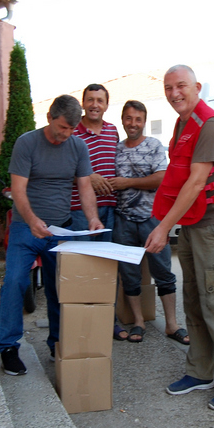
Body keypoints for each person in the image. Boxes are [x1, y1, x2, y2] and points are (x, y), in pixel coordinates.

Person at [145, 65, 214, 411]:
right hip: (195, 225)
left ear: (197, 87)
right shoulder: (183, 123)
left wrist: (163, 227)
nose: (174, 93)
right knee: (194, 299)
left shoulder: (208, 124)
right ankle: (200, 372)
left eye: (181, 86)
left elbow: (195, 183)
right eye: (168, 88)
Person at [0, 95, 103, 375]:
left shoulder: (77, 146)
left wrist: (92, 217)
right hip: (25, 228)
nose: (65, 135)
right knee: (14, 281)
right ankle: (8, 346)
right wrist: (32, 220)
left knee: (62, 290)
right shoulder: (27, 143)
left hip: (62, 229)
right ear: (48, 118)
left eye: (70, 129)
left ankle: (57, 343)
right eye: (61, 129)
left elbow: (84, 187)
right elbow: (18, 190)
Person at [108, 100, 189, 345]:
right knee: (129, 275)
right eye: (129, 118)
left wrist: (127, 182)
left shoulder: (153, 146)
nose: (133, 123)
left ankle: (172, 324)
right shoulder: (116, 148)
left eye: (138, 119)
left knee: (163, 272)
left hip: (153, 220)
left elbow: (162, 178)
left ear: (144, 121)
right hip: (123, 221)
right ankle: (138, 322)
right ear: (123, 119)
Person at [68, 83, 128, 340]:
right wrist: (87, 177)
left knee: (106, 267)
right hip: (80, 210)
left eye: (100, 100)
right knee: (81, 267)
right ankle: (81, 322)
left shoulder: (113, 131)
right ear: (83, 103)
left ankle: (108, 320)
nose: (95, 104)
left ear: (106, 104)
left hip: (109, 210)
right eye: (90, 100)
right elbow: (61, 167)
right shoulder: (71, 132)